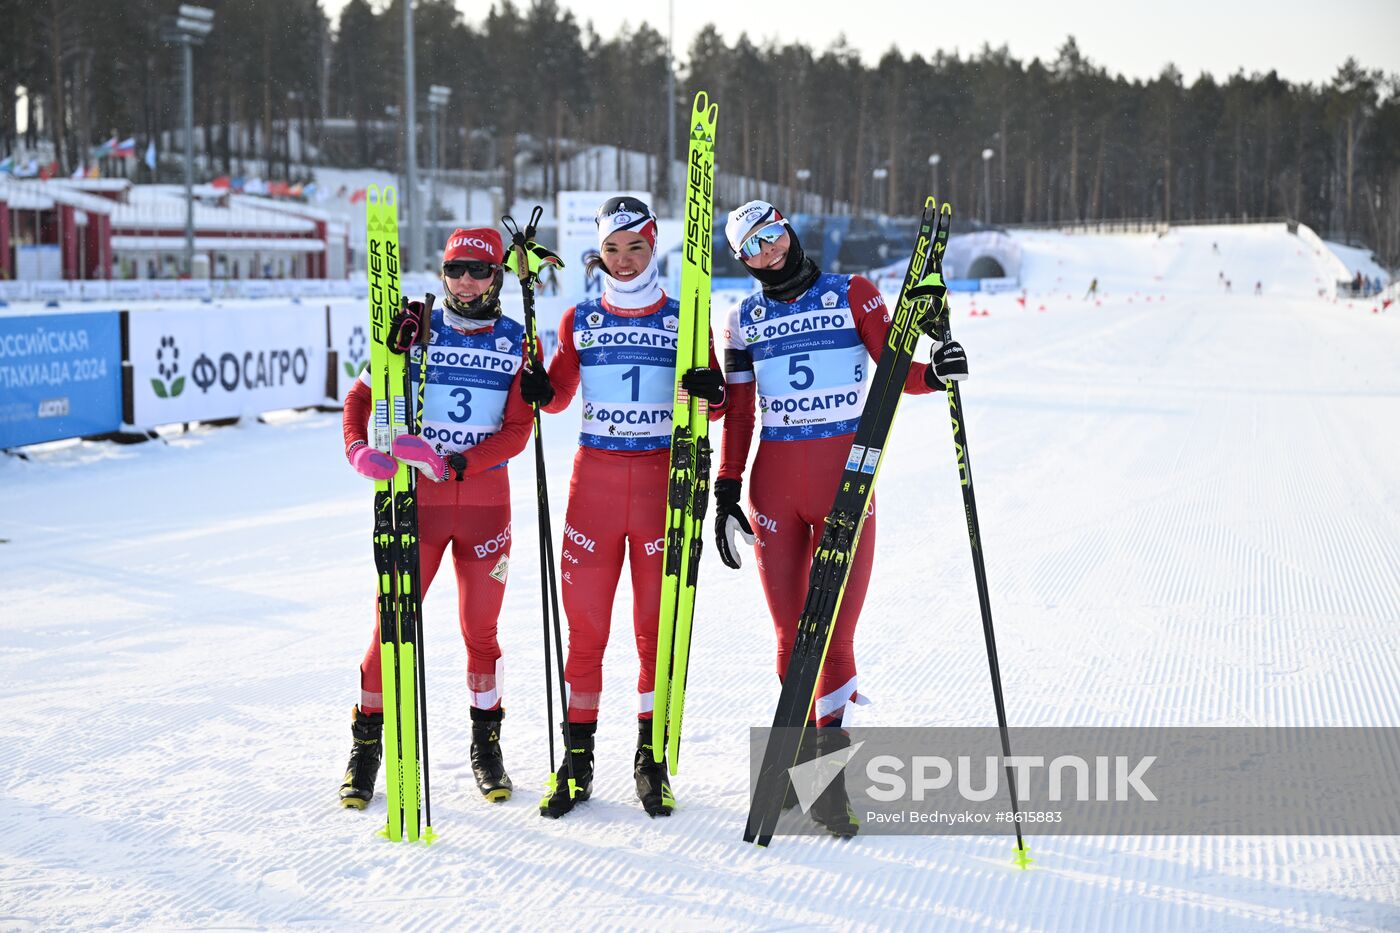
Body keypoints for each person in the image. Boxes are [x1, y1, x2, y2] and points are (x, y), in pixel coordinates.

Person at [711, 200, 967, 837]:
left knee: (835, 634)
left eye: (772, 236)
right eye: (751, 249)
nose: (767, 252)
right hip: (773, 488)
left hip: (845, 481)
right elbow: (738, 413)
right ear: (741, 260)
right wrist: (726, 487)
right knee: (790, 632)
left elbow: (893, 372)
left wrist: (935, 373)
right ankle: (800, 765)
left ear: (788, 232)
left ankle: (827, 779)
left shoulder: (851, 293)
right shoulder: (741, 319)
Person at [519, 196, 727, 819]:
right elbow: (554, 400)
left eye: (635, 248)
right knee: (585, 632)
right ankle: (576, 761)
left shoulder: (685, 318)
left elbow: (714, 406)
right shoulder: (579, 318)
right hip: (596, 487)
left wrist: (711, 392)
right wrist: (537, 386)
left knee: (653, 635)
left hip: (661, 484)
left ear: (655, 244)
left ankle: (650, 760)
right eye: (613, 249)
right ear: (599, 252)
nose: (625, 261)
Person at [338, 227, 534, 809]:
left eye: (479, 270)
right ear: (442, 272)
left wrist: (455, 464)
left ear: (497, 275)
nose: (467, 282)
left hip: (482, 508)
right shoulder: (412, 327)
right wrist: (358, 450)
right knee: (390, 631)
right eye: (456, 270)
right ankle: (366, 748)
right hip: (414, 508)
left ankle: (486, 744)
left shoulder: (517, 340)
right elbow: (358, 401)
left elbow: (519, 430)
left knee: (481, 633)